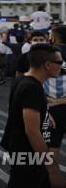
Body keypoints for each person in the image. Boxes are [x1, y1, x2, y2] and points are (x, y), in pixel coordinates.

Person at [1, 43, 66, 188]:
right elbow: (32, 131)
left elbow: (21, 108)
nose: (62, 66)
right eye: (60, 62)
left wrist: (45, 114)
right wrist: (51, 170)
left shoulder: (23, 80)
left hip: (22, 149)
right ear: (48, 65)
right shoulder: (32, 87)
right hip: (28, 152)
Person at [45, 26, 66, 167]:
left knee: (53, 145)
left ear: (54, 37)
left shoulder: (46, 54)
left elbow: (34, 81)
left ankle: (52, 176)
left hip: (51, 107)